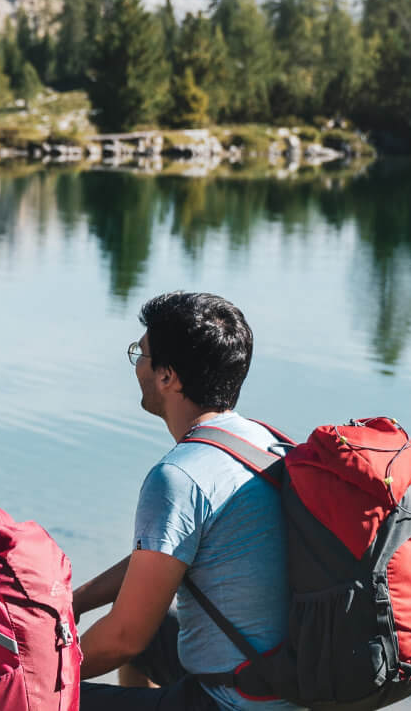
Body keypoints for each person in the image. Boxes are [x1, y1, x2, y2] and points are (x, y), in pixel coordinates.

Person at [72, 291, 299, 711]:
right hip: (287, 686)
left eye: (141, 354)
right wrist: (80, 599)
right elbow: (164, 553)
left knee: (30, 698)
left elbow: (124, 638)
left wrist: (38, 670)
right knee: (156, 630)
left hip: (229, 703)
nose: (137, 365)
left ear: (167, 377)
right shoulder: (267, 444)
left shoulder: (178, 476)